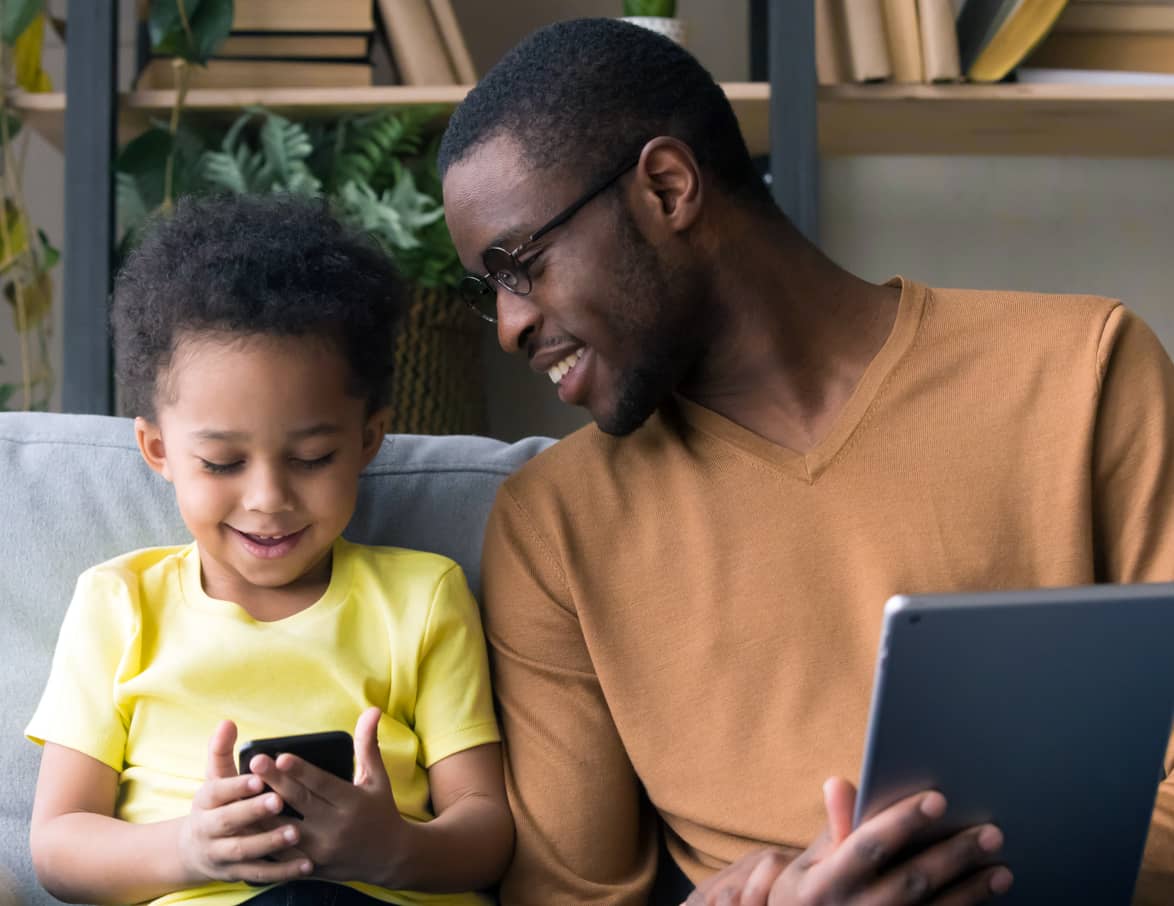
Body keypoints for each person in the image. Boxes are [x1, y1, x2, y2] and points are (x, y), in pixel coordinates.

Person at [437, 17, 1174, 906]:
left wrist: (944, 884)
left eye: (522, 264)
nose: (510, 325)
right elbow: (565, 898)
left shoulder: (1083, 371)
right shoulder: (553, 526)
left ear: (667, 188)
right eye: (490, 290)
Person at [25, 195, 513, 906]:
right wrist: (188, 850)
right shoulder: (119, 602)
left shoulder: (423, 598)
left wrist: (395, 848)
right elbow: (58, 846)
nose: (268, 498)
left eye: (312, 458)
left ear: (368, 440)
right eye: (222, 463)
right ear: (158, 451)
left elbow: (487, 829)